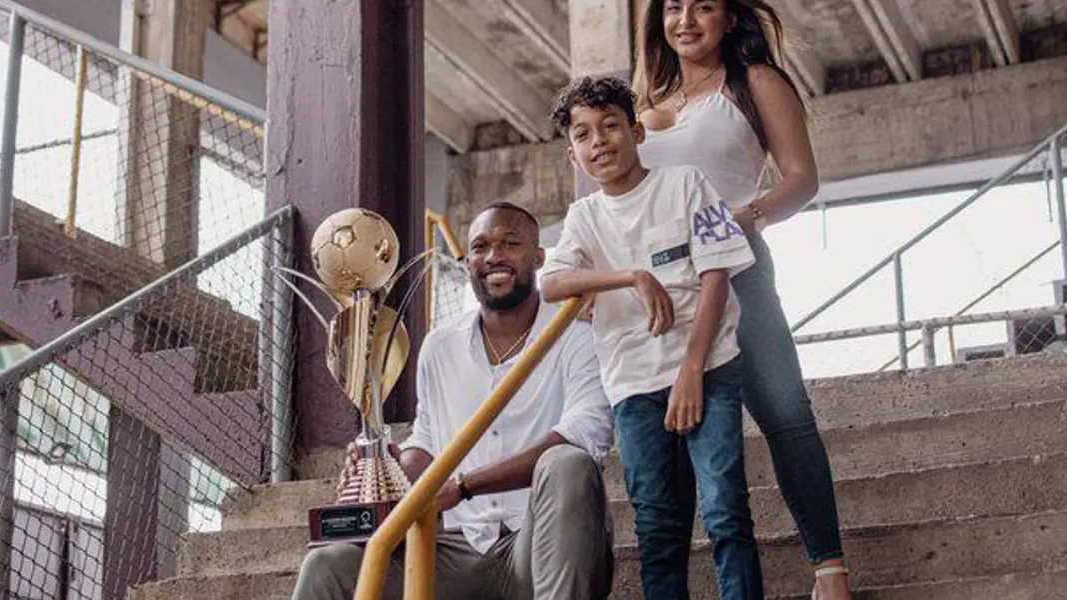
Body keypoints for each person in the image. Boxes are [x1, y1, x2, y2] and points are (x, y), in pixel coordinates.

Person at [631, 1, 851, 599]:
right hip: (664, 293)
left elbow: (801, 178)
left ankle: (829, 569)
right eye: (673, 6)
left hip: (739, 272)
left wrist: (742, 218)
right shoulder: (643, 103)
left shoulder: (754, 82)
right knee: (669, 440)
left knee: (785, 414)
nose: (685, 19)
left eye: (702, 5)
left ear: (729, 19)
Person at [290, 202, 615, 600]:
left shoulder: (576, 334)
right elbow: (427, 441)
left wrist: (464, 486)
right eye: (479, 247)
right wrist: (385, 469)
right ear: (468, 263)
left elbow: (585, 435)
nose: (493, 256)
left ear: (538, 256)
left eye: (510, 243)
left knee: (567, 463)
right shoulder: (440, 345)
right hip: (460, 551)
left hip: (543, 546)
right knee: (330, 565)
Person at [540, 76, 763, 600]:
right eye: (584, 135)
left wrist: (692, 368)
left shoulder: (687, 183)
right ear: (573, 156)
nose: (600, 142)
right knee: (658, 529)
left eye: (611, 126)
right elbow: (551, 283)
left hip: (708, 368)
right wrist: (630, 277)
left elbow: (717, 273)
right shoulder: (583, 217)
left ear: (637, 132)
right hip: (633, 388)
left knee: (725, 510)